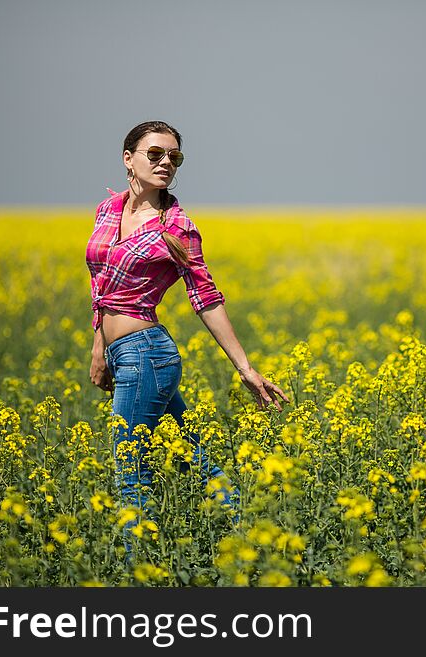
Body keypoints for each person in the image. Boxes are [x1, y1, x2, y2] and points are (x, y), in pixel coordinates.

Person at [86, 120, 289, 551]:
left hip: (147, 356)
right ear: (128, 158)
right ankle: (251, 541)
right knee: (195, 458)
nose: (166, 163)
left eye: (174, 158)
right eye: (155, 154)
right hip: (122, 353)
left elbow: (206, 297)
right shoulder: (107, 211)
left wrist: (245, 368)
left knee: (130, 472)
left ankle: (137, 570)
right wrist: (99, 348)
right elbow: (103, 288)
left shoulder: (176, 227)